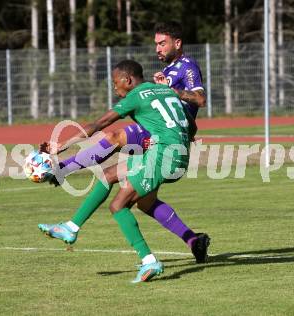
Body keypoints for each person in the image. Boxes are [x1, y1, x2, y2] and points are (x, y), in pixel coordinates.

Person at [45, 21, 210, 263]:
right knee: (145, 202)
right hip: (165, 134)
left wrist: (175, 93)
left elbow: (201, 99)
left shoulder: (187, 66)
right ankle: (193, 240)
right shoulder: (166, 73)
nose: (158, 48)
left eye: (162, 43)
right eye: (156, 44)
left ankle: (63, 171)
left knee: (112, 138)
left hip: (165, 135)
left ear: (177, 43)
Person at [39, 60, 197, 282]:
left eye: (116, 83)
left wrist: (60, 146)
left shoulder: (136, 95)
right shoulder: (165, 89)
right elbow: (192, 126)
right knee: (108, 174)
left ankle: (149, 260)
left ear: (128, 80)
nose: (115, 88)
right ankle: (71, 227)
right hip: (177, 153)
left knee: (118, 205)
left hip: (163, 157)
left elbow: (98, 124)